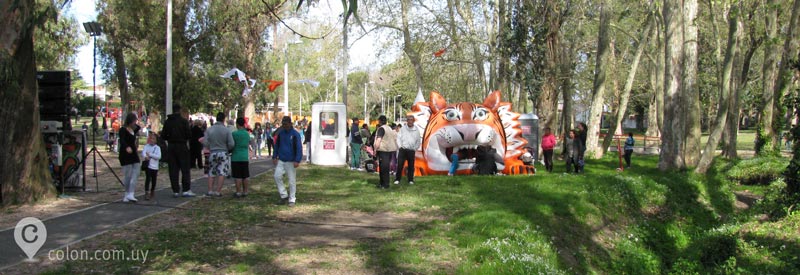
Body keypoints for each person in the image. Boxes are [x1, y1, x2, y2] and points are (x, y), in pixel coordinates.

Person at [161, 104, 195, 197]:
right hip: (182, 145)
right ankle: (186, 189)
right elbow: (189, 135)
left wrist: (169, 138)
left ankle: (175, 190)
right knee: (185, 168)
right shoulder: (183, 121)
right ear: (180, 110)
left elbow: (163, 135)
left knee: (173, 169)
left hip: (171, 146)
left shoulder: (168, 121)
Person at [273, 116, 303, 207]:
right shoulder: (281, 133)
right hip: (281, 159)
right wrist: (274, 156)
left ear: (290, 124)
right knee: (277, 176)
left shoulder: (295, 134)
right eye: (283, 124)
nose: (284, 126)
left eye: (286, 124)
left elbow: (299, 148)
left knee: (291, 181)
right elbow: (276, 145)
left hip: (291, 160)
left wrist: (297, 160)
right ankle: (284, 195)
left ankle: (292, 199)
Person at [204, 112, 234, 197]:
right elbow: (231, 143)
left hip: (213, 152)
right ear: (224, 119)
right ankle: (218, 191)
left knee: (211, 171)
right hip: (223, 152)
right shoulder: (226, 130)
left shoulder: (209, 129)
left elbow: (205, 142)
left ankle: (210, 190)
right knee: (222, 172)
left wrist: (210, 147)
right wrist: (227, 148)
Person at [118, 112, 141, 203]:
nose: (135, 123)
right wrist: (126, 147)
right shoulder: (123, 129)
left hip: (133, 154)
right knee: (128, 175)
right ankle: (127, 194)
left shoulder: (133, 129)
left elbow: (138, 127)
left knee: (136, 172)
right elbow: (122, 140)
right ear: (130, 121)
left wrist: (136, 123)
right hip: (125, 154)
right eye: (134, 121)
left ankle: (131, 193)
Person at [395, 115, 421, 185]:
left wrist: (415, 148)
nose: (410, 121)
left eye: (411, 120)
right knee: (400, 165)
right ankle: (397, 179)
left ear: (413, 121)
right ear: (407, 121)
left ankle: (410, 180)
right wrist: (400, 146)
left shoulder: (416, 130)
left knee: (411, 166)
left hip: (411, 150)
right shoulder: (403, 129)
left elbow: (418, 141)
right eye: (408, 120)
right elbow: (398, 138)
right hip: (402, 150)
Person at [372, 115, 397, 189]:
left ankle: (384, 184)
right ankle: (384, 183)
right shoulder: (389, 128)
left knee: (383, 168)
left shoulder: (381, 129)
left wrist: (375, 149)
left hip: (383, 150)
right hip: (390, 150)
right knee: (386, 168)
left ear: (379, 121)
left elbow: (379, 140)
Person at [231, 117, 251, 197]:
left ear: (237, 124)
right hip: (244, 156)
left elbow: (231, 144)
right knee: (245, 175)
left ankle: (238, 191)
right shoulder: (247, 134)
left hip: (236, 156)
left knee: (237, 176)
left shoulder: (234, 134)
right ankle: (245, 191)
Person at [141, 132, 162, 200]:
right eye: (150, 138)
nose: (152, 140)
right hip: (148, 166)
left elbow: (158, 156)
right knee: (148, 178)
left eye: (153, 139)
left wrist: (150, 154)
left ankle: (152, 190)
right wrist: (145, 156)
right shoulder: (146, 146)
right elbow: (143, 153)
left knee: (154, 180)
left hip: (155, 167)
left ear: (156, 140)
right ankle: (146, 192)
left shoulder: (157, 148)